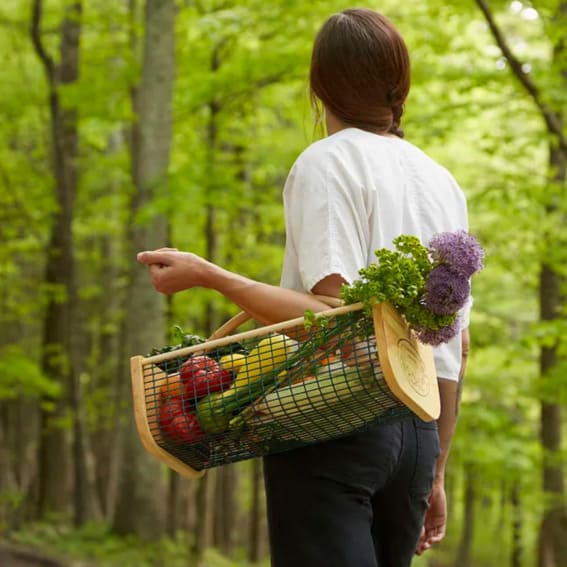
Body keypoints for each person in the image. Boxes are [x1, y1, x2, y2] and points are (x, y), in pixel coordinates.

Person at [137, 8, 471, 567]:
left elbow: (335, 318)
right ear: (400, 84)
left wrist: (211, 275)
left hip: (336, 419)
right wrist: (435, 469)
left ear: (318, 87)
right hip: (417, 432)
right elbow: (455, 346)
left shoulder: (326, 162)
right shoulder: (442, 182)